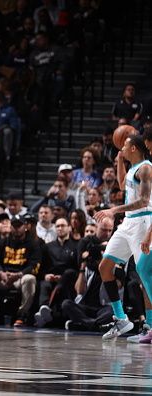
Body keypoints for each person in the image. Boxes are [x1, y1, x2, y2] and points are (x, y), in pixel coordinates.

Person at [93, 135, 151, 340]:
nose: (122, 148)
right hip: (127, 223)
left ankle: (150, 327)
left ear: (134, 148)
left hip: (143, 223)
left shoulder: (146, 168)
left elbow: (144, 201)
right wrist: (119, 160)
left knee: (145, 276)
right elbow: (122, 183)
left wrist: (114, 209)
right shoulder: (134, 168)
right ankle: (121, 319)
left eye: (125, 146)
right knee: (105, 267)